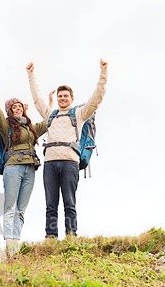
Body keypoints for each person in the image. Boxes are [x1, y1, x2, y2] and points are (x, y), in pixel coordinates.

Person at [26, 59, 108, 239]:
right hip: (50, 163)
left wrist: (103, 72)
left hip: (70, 162)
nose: (62, 99)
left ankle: (71, 236)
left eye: (65, 96)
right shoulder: (50, 114)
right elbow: (37, 99)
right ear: (57, 99)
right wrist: (31, 75)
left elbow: (97, 98)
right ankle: (51, 237)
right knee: (50, 204)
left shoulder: (79, 114)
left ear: (72, 99)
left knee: (69, 203)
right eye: (60, 96)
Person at [0, 72, 47, 254]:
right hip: (13, 168)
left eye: (19, 106)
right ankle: (9, 241)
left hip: (30, 168)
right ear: (10, 110)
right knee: (10, 206)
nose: (17, 108)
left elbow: (48, 122)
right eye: (14, 107)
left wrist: (50, 105)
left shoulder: (31, 127)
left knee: (21, 208)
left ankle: (16, 242)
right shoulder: (6, 125)